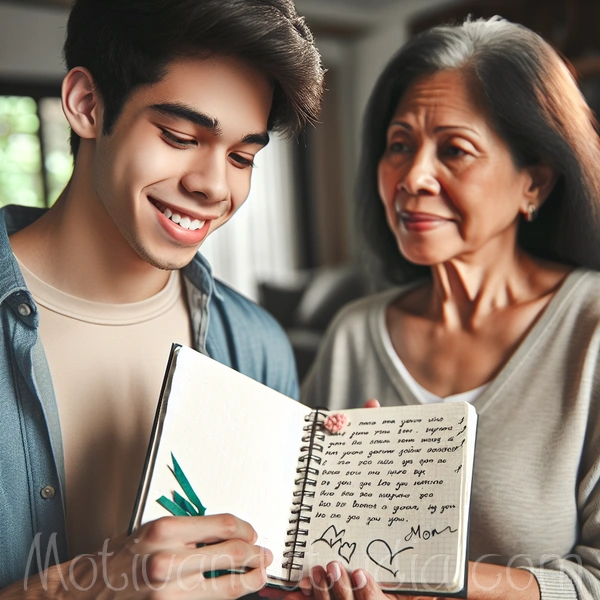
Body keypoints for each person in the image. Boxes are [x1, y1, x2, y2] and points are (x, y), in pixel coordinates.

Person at [0, 0, 324, 597]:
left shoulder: (257, 347)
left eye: (242, 157)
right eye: (179, 136)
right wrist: (81, 588)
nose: (213, 185)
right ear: (87, 105)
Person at [298, 16, 600, 600]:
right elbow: (299, 536)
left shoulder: (590, 328)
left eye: (454, 150)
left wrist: (431, 576)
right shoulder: (354, 335)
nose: (412, 177)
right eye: (399, 146)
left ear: (533, 183)